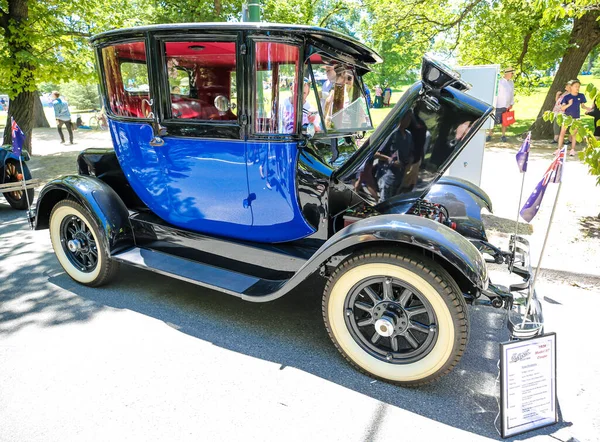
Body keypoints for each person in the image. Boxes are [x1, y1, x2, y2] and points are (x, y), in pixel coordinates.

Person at [558, 79, 591, 156]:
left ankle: (572, 150)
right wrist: (569, 104)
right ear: (571, 87)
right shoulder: (566, 97)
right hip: (566, 118)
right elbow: (562, 108)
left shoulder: (581, 96)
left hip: (576, 118)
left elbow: (582, 106)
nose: (577, 88)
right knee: (562, 133)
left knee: (574, 134)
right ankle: (559, 149)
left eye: (578, 86)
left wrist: (587, 108)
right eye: (576, 86)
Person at [487, 67, 515, 142]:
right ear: (507, 73)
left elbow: (512, 93)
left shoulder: (511, 82)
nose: (512, 74)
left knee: (504, 121)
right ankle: (489, 134)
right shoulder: (499, 82)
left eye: (512, 73)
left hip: (507, 105)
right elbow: (495, 93)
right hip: (498, 104)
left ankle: (503, 135)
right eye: (511, 73)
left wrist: (512, 103)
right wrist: (494, 103)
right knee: (493, 120)